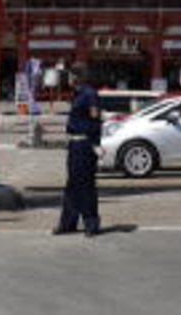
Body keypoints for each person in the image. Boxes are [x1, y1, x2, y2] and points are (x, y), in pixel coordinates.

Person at [53, 62, 102, 237]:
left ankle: (91, 223)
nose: (68, 78)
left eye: (70, 75)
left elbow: (95, 120)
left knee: (86, 185)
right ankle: (68, 223)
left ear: (77, 77)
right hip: (74, 144)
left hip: (85, 144)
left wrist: (95, 144)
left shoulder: (90, 94)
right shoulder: (77, 94)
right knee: (72, 185)